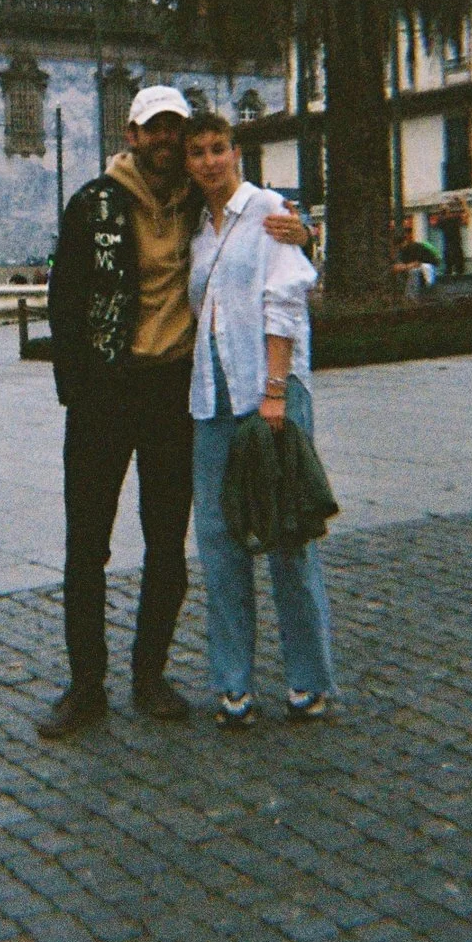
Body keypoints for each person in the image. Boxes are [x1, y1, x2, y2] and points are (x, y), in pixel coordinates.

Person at [39, 85, 310, 739]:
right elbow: (64, 297)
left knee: (166, 543)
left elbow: (266, 232)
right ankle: (85, 687)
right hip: (106, 394)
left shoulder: (199, 201)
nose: (165, 140)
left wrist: (307, 232)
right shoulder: (94, 204)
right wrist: (76, 388)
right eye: (152, 129)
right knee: (87, 545)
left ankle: (149, 674)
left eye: (175, 130)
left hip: (170, 394)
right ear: (131, 135)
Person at [182, 111, 334, 727]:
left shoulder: (270, 209)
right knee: (219, 542)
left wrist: (274, 392)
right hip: (212, 398)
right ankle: (233, 683)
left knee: (287, 537)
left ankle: (308, 680)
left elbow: (285, 301)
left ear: (236, 152)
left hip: (268, 392)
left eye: (218, 148)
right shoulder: (196, 231)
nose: (209, 161)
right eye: (197, 152)